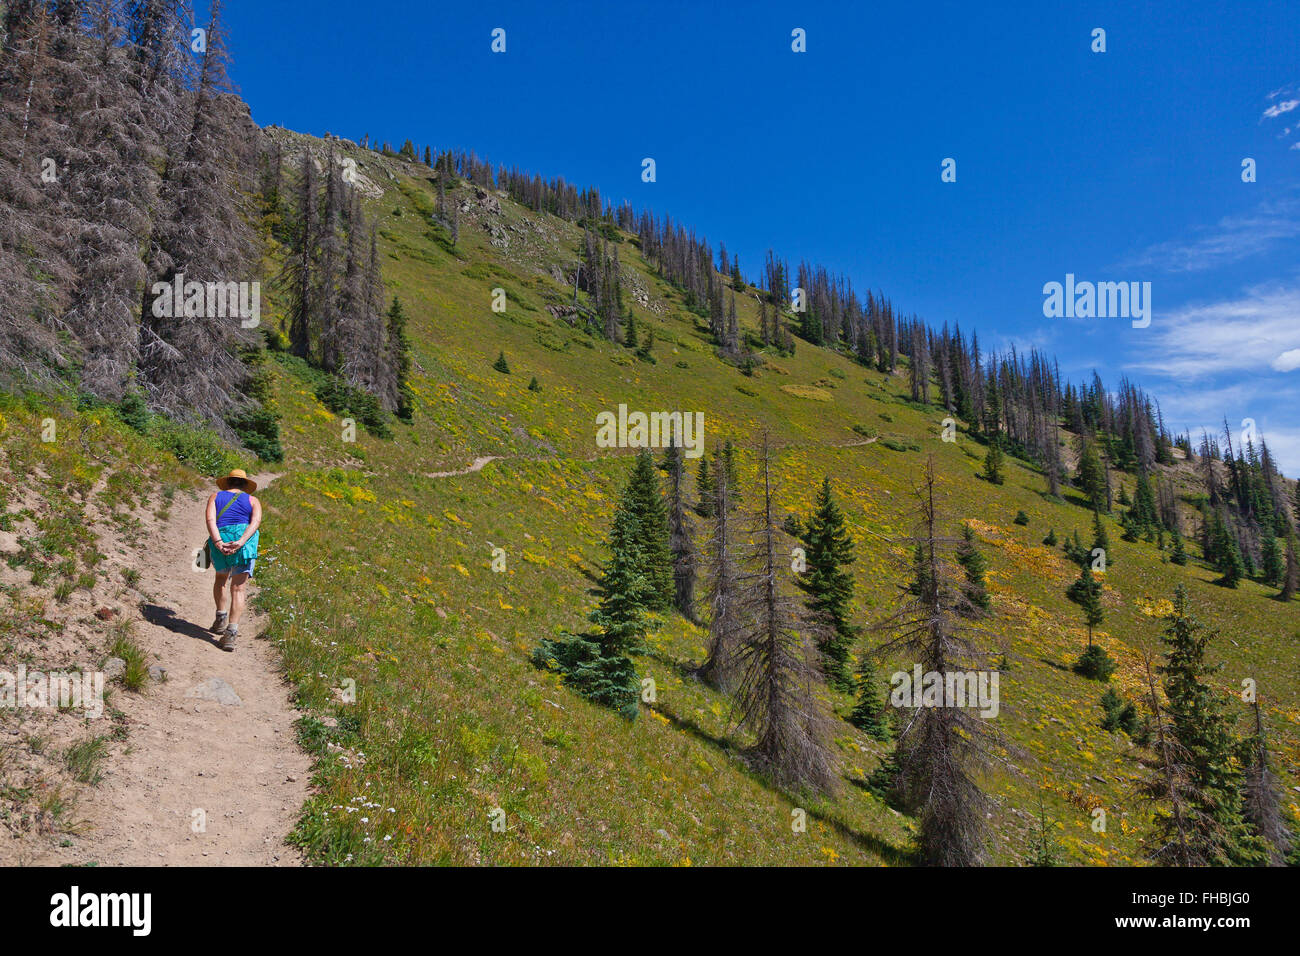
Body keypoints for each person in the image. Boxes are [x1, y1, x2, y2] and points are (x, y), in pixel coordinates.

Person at [205, 468, 262, 652]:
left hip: (220, 539)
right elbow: (255, 522)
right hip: (243, 545)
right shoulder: (253, 500)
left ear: (228, 482)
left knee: (220, 579)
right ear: (245, 485)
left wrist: (218, 542)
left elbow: (210, 520)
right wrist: (241, 541)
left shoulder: (215, 497)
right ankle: (231, 633)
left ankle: (220, 618)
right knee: (239, 588)